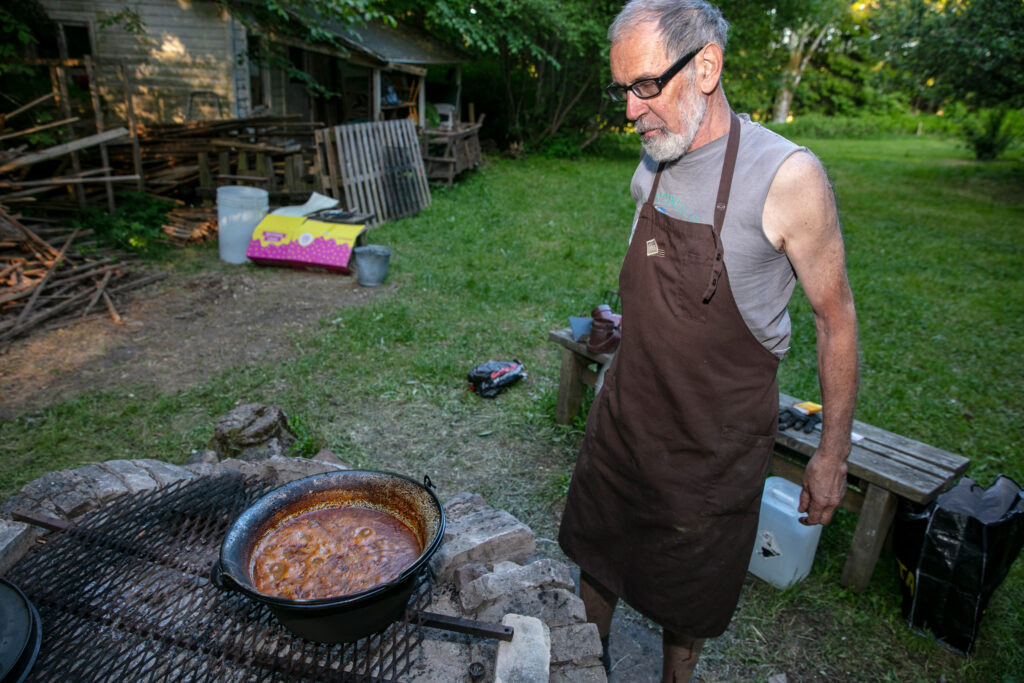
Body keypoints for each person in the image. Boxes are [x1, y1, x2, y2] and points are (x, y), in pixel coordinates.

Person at [557, 1, 859, 681]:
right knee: (597, 560)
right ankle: (584, 664)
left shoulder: (787, 179)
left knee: (685, 605)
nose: (630, 112)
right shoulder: (653, 161)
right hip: (624, 422)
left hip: (709, 452)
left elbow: (836, 317)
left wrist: (831, 452)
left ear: (707, 67)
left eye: (644, 87)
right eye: (622, 91)